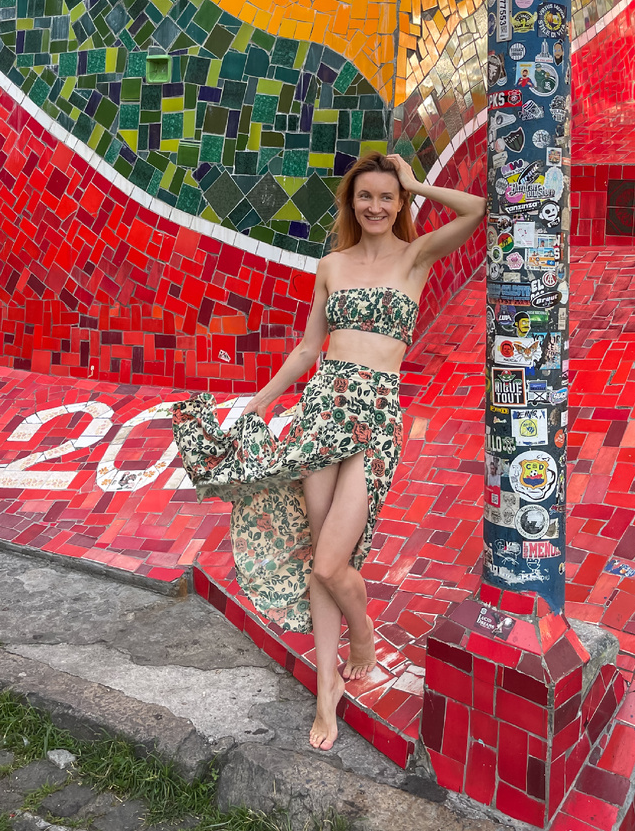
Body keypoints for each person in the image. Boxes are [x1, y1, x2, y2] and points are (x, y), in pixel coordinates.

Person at [172, 152, 485, 751]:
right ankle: (326, 687)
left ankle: (360, 635)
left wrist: (416, 182)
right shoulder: (331, 266)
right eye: (366, 196)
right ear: (351, 202)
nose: (376, 206)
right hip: (321, 413)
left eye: (387, 197)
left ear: (399, 203)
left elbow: (476, 211)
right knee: (322, 557)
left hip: (375, 417)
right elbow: (307, 348)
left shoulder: (415, 257)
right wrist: (259, 402)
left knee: (329, 564)